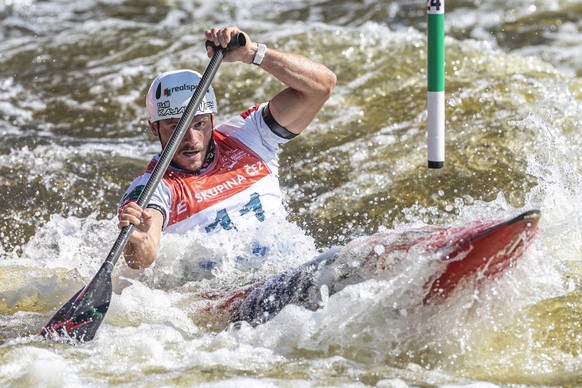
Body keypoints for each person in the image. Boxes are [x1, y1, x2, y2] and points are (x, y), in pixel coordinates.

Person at [117, 26, 337, 270]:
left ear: (212, 119)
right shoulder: (153, 188)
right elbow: (141, 259)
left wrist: (252, 53)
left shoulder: (250, 135)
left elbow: (321, 87)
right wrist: (139, 241)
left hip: (297, 270)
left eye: (199, 124)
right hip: (235, 297)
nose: (190, 139)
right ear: (154, 128)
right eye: (174, 127)